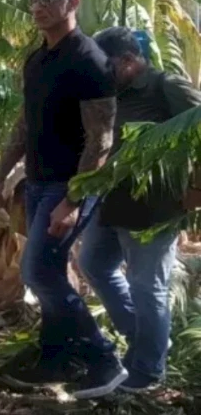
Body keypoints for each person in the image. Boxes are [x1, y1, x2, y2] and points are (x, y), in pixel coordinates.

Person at [0, 0, 125, 399]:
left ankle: (104, 359)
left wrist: (74, 200)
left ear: (72, 3)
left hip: (70, 186)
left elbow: (101, 139)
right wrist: (1, 174)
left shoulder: (90, 60)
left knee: (38, 271)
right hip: (38, 182)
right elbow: (25, 124)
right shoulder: (37, 60)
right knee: (47, 269)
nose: (38, 7)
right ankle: (55, 357)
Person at [78, 27, 201, 392]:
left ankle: (148, 369)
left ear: (129, 60)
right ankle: (146, 337)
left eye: (107, 65)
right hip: (111, 200)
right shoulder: (112, 91)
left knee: (147, 286)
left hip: (155, 206)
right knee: (93, 264)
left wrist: (196, 189)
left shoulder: (166, 86)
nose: (101, 73)